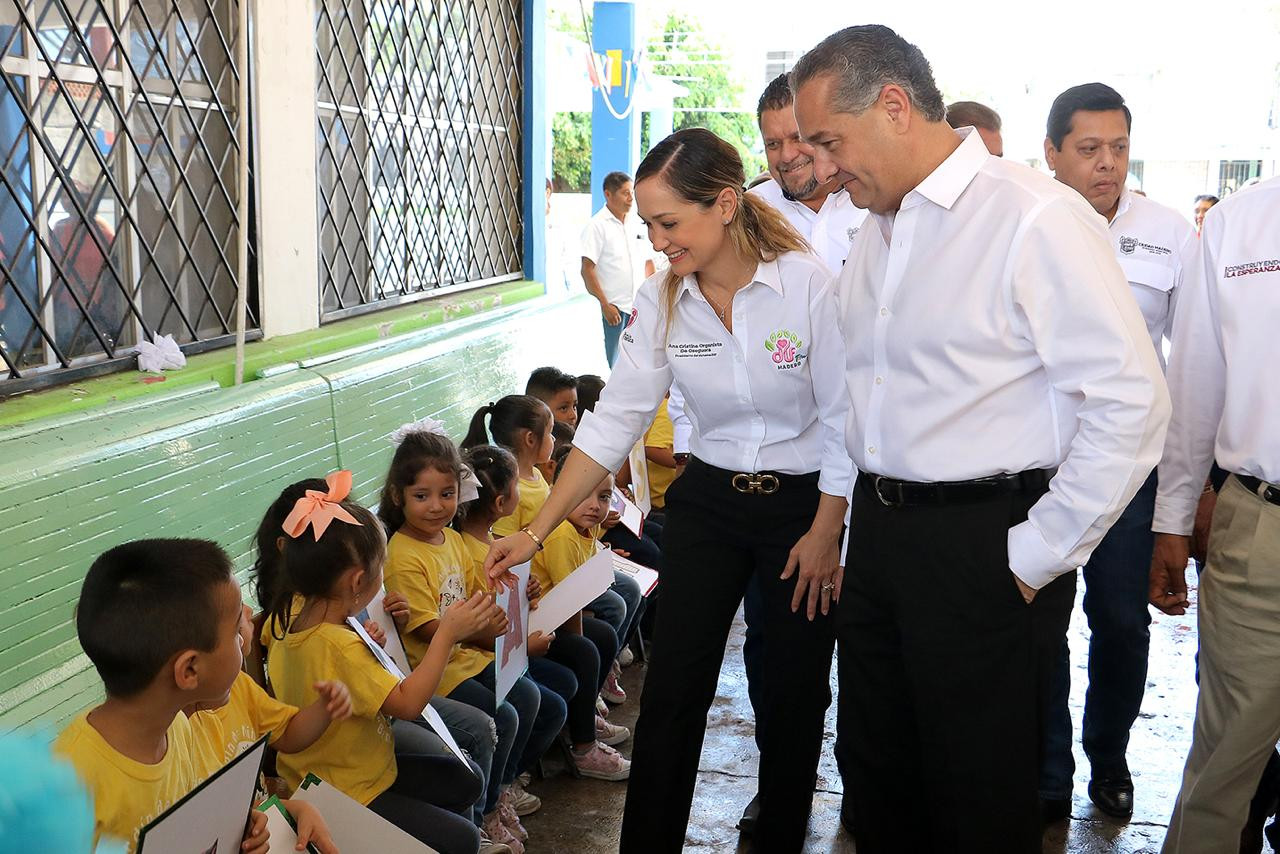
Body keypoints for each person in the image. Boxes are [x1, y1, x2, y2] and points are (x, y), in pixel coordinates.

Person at [790, 24, 1169, 853]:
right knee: (877, 775)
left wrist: (1035, 554)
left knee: (978, 793)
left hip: (982, 540)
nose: (820, 168)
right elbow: (865, 393)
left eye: (828, 141)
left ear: (893, 106)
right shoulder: (877, 228)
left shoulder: (1032, 216)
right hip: (882, 537)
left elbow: (1131, 402)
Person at [487, 126, 852, 852]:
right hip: (710, 502)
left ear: (723, 204)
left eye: (667, 223)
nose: (655, 241)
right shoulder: (661, 300)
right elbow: (611, 424)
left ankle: (779, 834)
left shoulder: (808, 285)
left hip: (802, 509)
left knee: (793, 690)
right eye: (648, 224)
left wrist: (826, 530)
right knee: (675, 691)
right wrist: (535, 533)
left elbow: (848, 418)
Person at [1040, 81, 1196, 822]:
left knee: (1123, 623)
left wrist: (1182, 496)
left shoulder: (1170, 232)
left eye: (1120, 148)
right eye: (1090, 149)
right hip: (1040, 466)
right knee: (1037, 619)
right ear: (1054, 154)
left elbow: (1192, 362)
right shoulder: (1026, 226)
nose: (1108, 164)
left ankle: (1108, 755)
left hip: (1130, 470)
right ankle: (1045, 769)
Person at [264, 470, 499, 854]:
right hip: (350, 791)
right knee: (464, 838)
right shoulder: (339, 645)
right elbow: (408, 704)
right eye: (380, 571)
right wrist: (447, 633)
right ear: (358, 583)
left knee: (467, 780)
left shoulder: (292, 619)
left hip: (342, 771)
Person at [1150, 175, 1280, 854]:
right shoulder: (1239, 224)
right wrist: (1172, 519)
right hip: (1261, 529)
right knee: (1223, 767)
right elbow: (1196, 381)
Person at [53, 538, 332, 853]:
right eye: (233, 633)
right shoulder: (67, 788)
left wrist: (238, 831)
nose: (242, 641)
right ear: (189, 671)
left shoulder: (179, 728)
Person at [378, 428, 556, 853]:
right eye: (422, 496)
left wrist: (520, 592)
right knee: (504, 718)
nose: (437, 506)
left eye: (447, 494)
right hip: (436, 671)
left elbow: (482, 595)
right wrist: (479, 632)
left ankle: (501, 790)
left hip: (468, 657)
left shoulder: (454, 540)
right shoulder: (402, 555)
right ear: (398, 495)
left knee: (529, 698)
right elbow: (425, 629)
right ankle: (483, 813)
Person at [750, 72, 867, 273]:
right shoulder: (748, 216)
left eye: (798, 138)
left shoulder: (874, 204)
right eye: (773, 144)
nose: (787, 155)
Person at [580, 172, 658, 366]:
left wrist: (657, 297)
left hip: (640, 304)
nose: (631, 198)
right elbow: (587, 269)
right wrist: (605, 304)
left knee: (642, 358)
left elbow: (648, 263)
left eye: (631, 192)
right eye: (625, 193)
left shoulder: (636, 223)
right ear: (608, 194)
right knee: (615, 361)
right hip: (615, 308)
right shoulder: (597, 226)